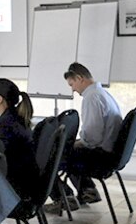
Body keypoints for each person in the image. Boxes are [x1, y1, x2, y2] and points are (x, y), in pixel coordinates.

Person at [44, 62, 122, 214]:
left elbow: (92, 138)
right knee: (69, 150)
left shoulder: (91, 98)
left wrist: (76, 143)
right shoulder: (102, 93)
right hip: (111, 154)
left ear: (80, 79)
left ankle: (64, 199)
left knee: (50, 159)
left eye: (72, 84)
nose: (72, 89)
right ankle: (87, 190)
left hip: (101, 157)